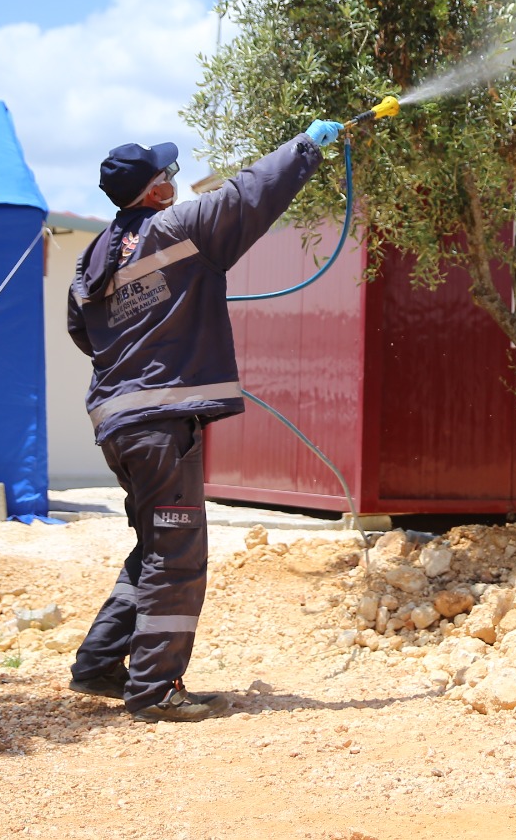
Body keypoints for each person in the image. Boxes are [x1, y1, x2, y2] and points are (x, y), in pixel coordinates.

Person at [65, 118, 341, 722]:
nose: (175, 178)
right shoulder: (179, 226)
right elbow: (248, 194)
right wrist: (304, 147)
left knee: (155, 543)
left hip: (118, 424)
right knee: (178, 553)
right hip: (161, 427)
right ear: (155, 191)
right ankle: (155, 689)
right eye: (168, 173)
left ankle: (100, 666)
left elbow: (82, 333)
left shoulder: (92, 259)